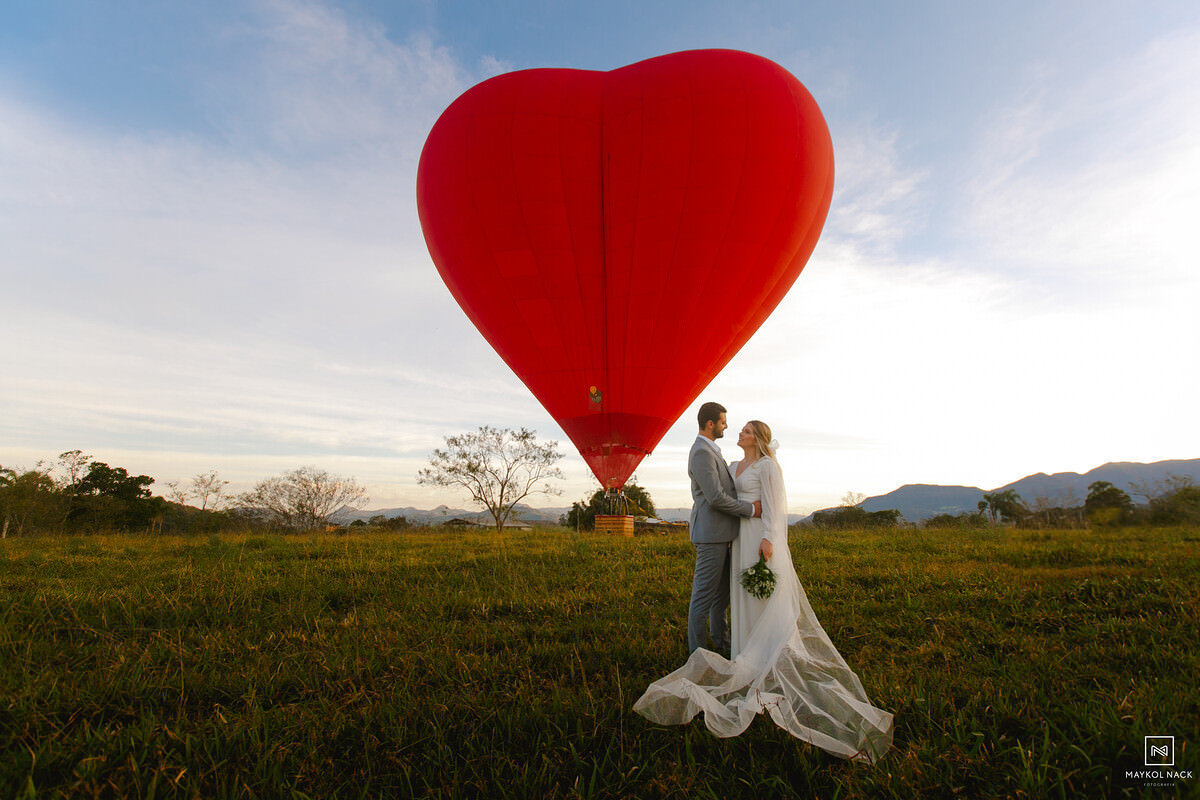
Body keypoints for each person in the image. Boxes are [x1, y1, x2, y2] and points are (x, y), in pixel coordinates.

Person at [634, 419, 894, 764]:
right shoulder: (733, 465)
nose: (738, 433)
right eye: (736, 429)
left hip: (758, 536)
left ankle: (768, 651)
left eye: (745, 430)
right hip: (739, 537)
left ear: (758, 438)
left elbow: (774, 505)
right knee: (741, 594)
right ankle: (745, 651)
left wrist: (770, 538)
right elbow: (721, 495)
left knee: (762, 593)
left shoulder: (769, 466)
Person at [684, 401, 760, 656]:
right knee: (703, 598)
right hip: (710, 535)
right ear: (710, 424)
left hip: (724, 534)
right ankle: (698, 655)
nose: (726, 426)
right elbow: (715, 497)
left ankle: (723, 645)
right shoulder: (701, 452)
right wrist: (750, 509)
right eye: (723, 422)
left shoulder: (711, 450)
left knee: (722, 597)